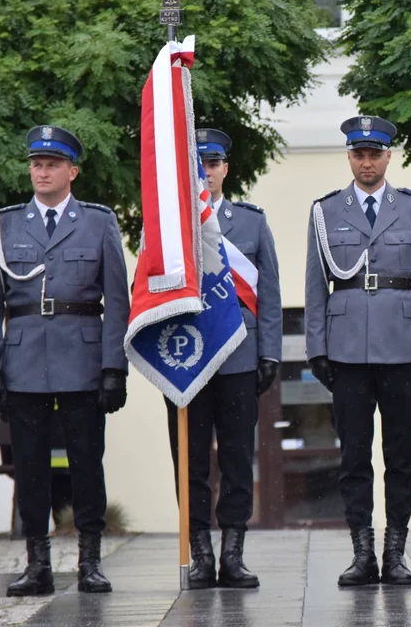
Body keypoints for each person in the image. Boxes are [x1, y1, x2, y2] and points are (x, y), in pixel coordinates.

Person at [0, 125, 129, 596]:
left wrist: (113, 367)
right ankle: (37, 564)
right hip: (23, 362)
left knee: (87, 463)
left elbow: (116, 301)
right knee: (31, 467)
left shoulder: (98, 222)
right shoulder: (5, 224)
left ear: (72, 171)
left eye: (52, 165)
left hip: (81, 359)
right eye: (36, 164)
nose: (42, 172)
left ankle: (90, 561)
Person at [305, 116, 411, 587]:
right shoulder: (325, 211)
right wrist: (317, 348)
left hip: (403, 347)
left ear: (389, 156)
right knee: (354, 456)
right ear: (349, 157)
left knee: (402, 454)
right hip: (346, 350)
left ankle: (396, 552)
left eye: (375, 154)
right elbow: (314, 285)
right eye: (358, 154)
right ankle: (362, 552)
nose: (367, 162)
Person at [165, 128, 282, 589]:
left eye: (212, 164)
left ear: (225, 169)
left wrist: (269, 351)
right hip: (186, 358)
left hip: (237, 356)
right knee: (190, 462)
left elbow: (269, 293)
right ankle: (201, 555)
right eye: (198, 164)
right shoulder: (171, 226)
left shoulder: (251, 222)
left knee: (236, 459)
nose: (206, 172)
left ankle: (233, 553)